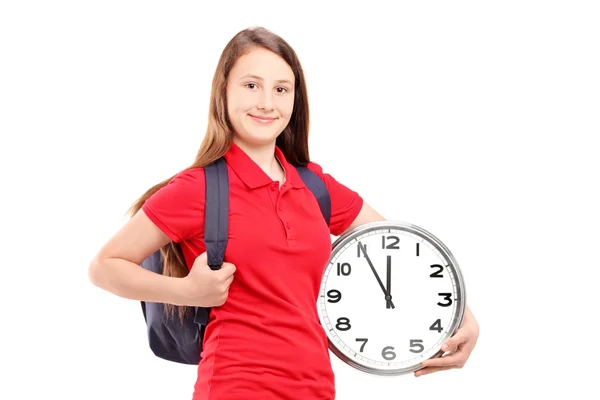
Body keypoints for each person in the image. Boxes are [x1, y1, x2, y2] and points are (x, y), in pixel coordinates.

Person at [88, 26, 480, 400]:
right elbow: (105, 265)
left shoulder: (315, 186)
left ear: (295, 99)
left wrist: (460, 316)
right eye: (251, 85)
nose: (266, 102)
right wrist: (187, 291)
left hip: (317, 389)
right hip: (232, 388)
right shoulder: (200, 188)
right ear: (222, 93)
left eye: (281, 89)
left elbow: (401, 250)